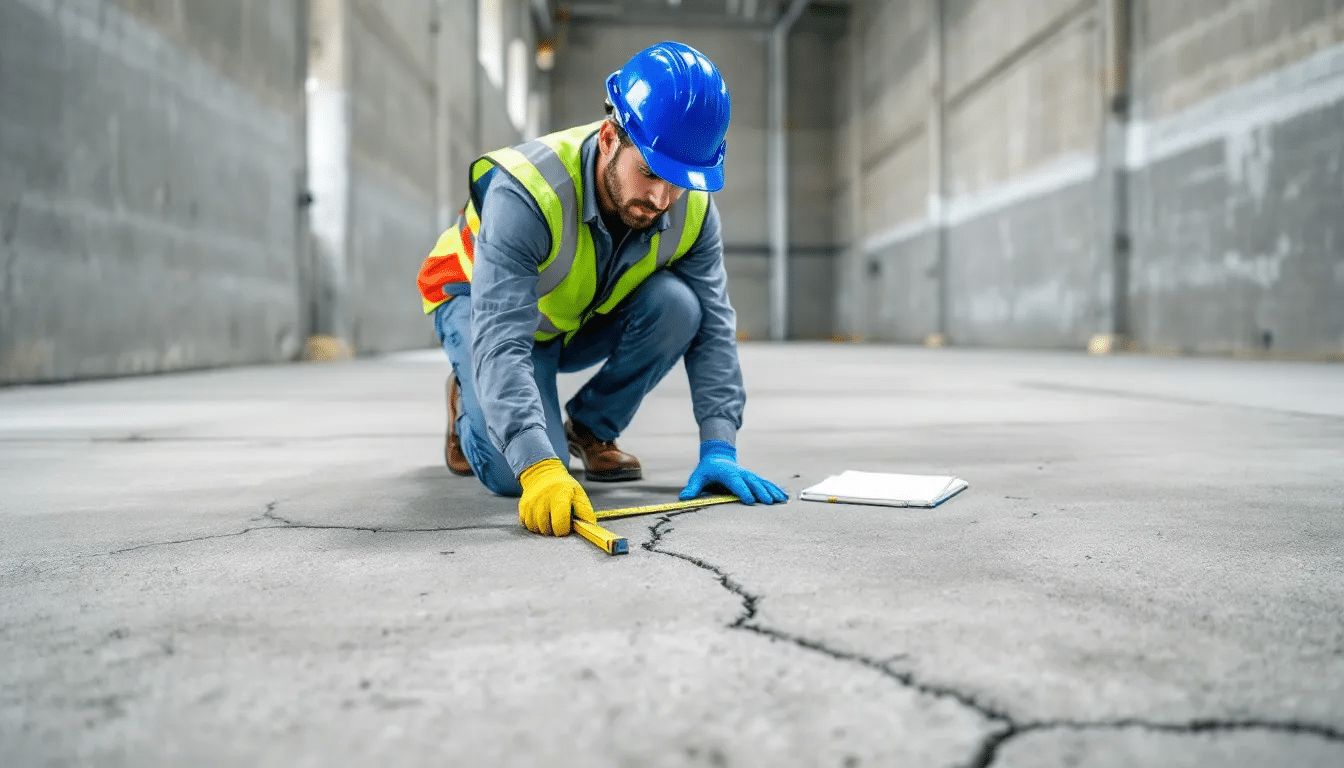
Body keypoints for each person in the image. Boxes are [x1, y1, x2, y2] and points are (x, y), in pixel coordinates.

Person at [415, 41, 787, 538]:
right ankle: (469, 392)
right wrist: (539, 466)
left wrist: (719, 446)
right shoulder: (528, 192)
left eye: (679, 181)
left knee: (681, 305)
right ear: (610, 137)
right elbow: (502, 336)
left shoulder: (691, 209)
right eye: (651, 172)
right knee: (513, 473)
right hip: (478, 306)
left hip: (571, 312)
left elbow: (715, 328)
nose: (662, 198)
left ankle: (590, 428)